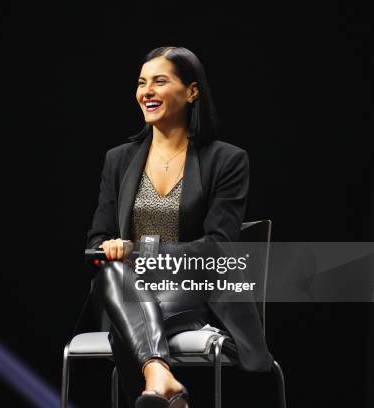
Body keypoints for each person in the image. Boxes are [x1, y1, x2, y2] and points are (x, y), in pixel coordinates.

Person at [82, 47, 273, 408]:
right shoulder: (117, 160)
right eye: (141, 83)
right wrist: (110, 247)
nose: (147, 91)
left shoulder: (227, 160)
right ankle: (160, 378)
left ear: (192, 91)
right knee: (112, 274)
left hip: (192, 290)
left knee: (123, 293)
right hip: (124, 289)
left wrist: (141, 251)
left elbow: (219, 247)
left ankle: (160, 382)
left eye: (160, 81)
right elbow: (97, 238)